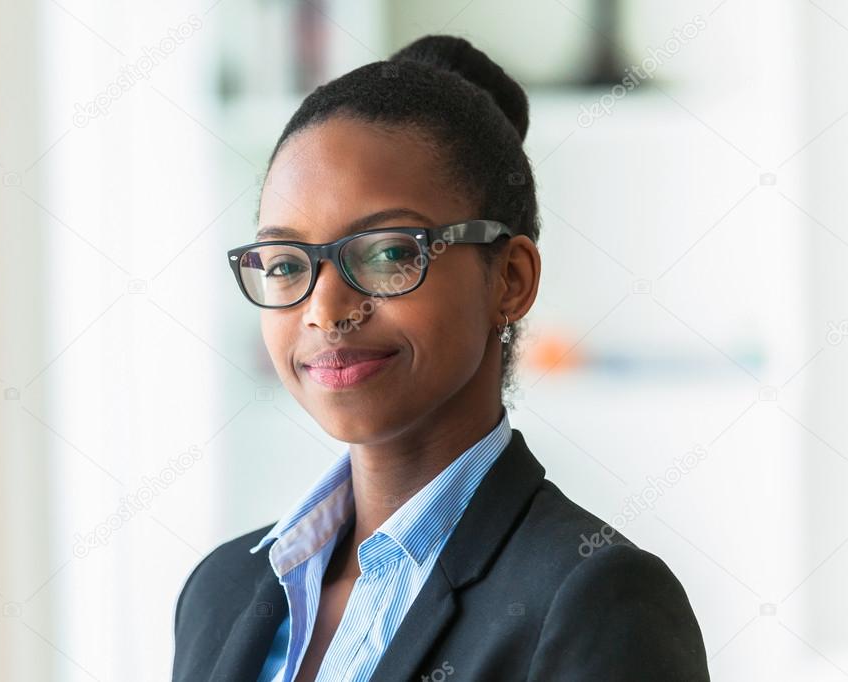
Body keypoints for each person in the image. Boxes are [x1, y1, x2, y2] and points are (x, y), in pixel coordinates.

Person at [173, 34, 709, 682]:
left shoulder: (595, 599)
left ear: (508, 280)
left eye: (389, 253)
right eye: (286, 264)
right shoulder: (220, 592)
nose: (324, 309)